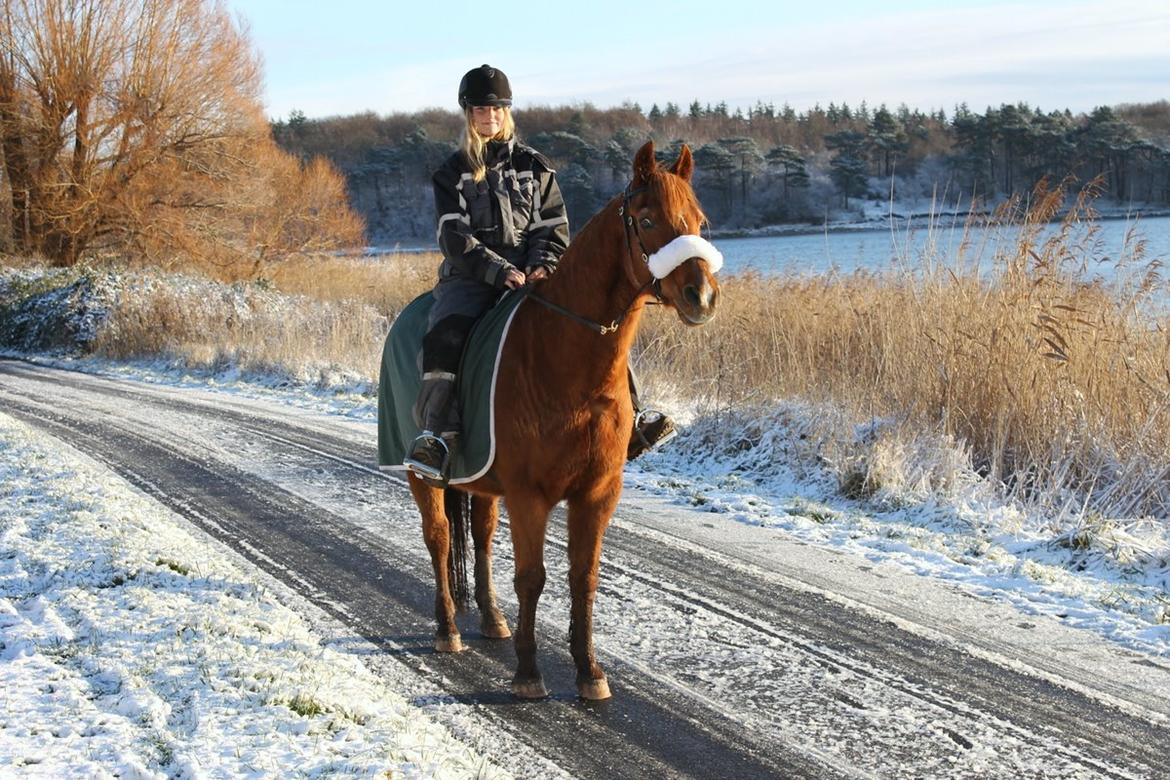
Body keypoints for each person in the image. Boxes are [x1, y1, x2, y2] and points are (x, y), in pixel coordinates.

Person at [404, 64, 675, 482]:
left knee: (601, 327)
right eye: (480, 109)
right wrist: (500, 272)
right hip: (471, 278)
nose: (489, 116)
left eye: (497, 108)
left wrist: (541, 264)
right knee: (445, 336)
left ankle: (634, 417)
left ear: (507, 112)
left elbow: (552, 226)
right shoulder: (451, 172)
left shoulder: (536, 166)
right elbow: (453, 237)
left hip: (534, 274)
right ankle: (437, 435)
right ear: (468, 113)